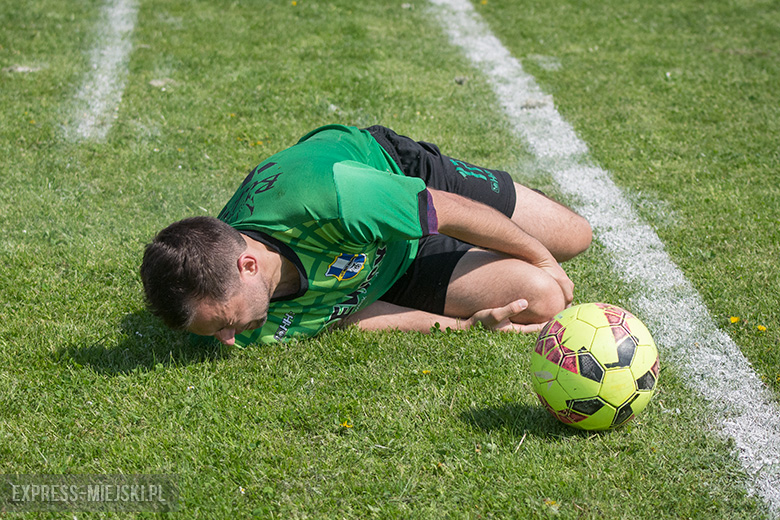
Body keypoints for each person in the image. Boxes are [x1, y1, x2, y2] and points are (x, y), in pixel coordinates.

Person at [140, 125, 591, 347]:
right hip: (382, 265)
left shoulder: (334, 198)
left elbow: (446, 211)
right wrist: (460, 325)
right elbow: (342, 313)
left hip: (400, 178)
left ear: (248, 265)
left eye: (223, 323)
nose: (229, 341)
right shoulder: (250, 317)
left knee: (573, 238)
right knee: (542, 301)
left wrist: (542, 257)